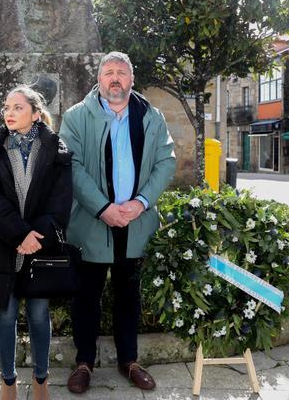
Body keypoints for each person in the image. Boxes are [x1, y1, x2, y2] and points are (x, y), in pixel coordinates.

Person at [59, 51, 176, 393]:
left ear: (131, 79)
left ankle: (130, 361)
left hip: (136, 222)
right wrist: (103, 208)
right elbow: (72, 166)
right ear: (99, 79)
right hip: (92, 223)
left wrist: (140, 203)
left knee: (129, 296)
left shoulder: (151, 117)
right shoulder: (77, 117)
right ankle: (84, 363)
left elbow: (166, 162)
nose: (114, 78)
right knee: (86, 296)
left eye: (121, 73)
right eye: (108, 72)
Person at [0, 85, 73, 400]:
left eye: (17, 107)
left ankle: (41, 381)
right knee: (5, 314)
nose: (10, 113)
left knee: (40, 315)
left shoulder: (56, 150)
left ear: (34, 112)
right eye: (6, 107)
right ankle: (8, 382)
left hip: (40, 249)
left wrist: (35, 238)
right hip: (4, 245)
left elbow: (61, 202)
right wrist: (19, 234)